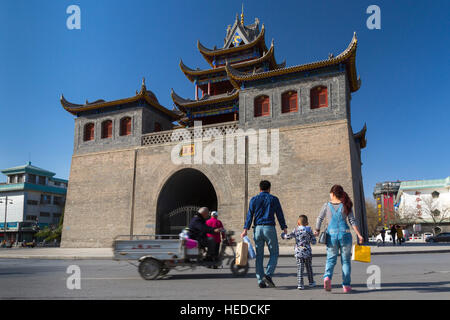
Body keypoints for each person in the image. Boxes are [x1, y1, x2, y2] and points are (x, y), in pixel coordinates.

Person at [314, 185, 364, 293]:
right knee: (345, 261)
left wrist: (317, 230)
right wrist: (359, 235)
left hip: (331, 236)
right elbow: (352, 221)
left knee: (330, 259)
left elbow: (320, 218)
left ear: (332, 193)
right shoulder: (346, 205)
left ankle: (327, 277)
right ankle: (346, 285)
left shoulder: (326, 205)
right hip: (345, 235)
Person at [241, 180, 288, 289]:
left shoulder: (254, 199)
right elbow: (279, 214)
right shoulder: (274, 199)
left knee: (259, 255)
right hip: (269, 228)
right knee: (274, 253)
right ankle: (268, 274)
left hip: (257, 228)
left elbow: (249, 215)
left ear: (259, 188)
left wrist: (245, 229)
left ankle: (260, 280)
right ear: (269, 188)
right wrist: (283, 227)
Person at [281, 215, 316, 290]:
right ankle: (311, 282)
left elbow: (288, 237)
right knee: (309, 267)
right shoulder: (309, 229)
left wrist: (283, 235)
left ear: (298, 223)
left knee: (300, 268)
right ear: (307, 223)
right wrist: (313, 237)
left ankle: (300, 284)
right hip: (307, 252)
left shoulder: (296, 230)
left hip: (299, 252)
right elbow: (313, 242)